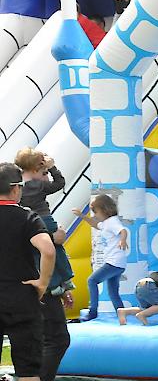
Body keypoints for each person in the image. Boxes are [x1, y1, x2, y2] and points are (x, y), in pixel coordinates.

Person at [0, 162, 55, 381]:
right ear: (15, 189)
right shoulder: (26, 216)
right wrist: (42, 282)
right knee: (28, 371)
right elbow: (48, 250)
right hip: (21, 298)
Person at [15, 147, 74, 297]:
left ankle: (52, 284)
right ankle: (66, 278)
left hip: (28, 221)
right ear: (36, 169)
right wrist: (52, 167)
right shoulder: (39, 185)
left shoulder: (18, 187)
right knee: (57, 250)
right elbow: (59, 183)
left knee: (38, 254)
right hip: (45, 218)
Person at [72, 194, 128, 322]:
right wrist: (82, 216)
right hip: (118, 263)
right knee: (113, 292)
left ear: (104, 209)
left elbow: (123, 231)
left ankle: (93, 312)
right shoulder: (107, 223)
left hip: (114, 262)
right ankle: (121, 314)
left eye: (95, 212)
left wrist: (123, 240)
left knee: (92, 280)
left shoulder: (112, 221)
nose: (95, 215)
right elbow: (95, 224)